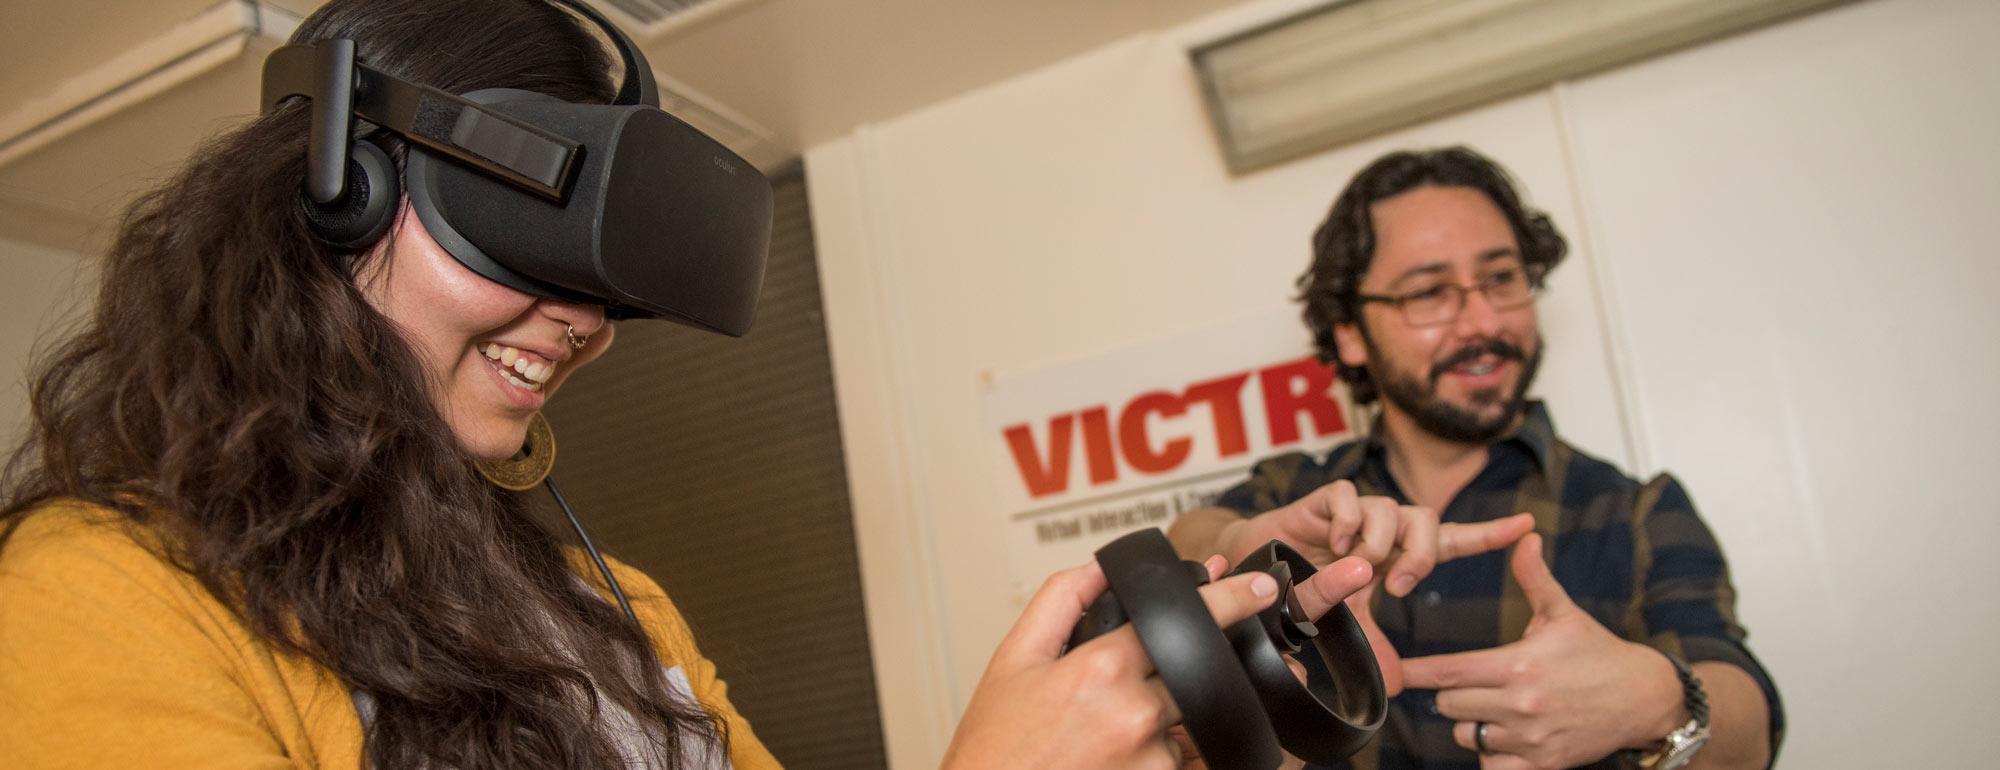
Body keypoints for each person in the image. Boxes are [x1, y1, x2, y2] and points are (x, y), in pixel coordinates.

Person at [0, 2, 1375, 768]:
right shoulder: (97, 593)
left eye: (607, 278)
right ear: (340, 194)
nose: (583, 321)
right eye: (526, 244)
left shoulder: (618, 611)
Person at [1167, 148, 1782, 770]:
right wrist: (1242, 540)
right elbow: (1189, 539)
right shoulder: (1296, 488)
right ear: (1351, 332)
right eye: (1430, 292)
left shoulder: (1637, 509)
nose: (1484, 320)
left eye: (1502, 279)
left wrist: (1658, 701)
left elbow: (1750, 733)